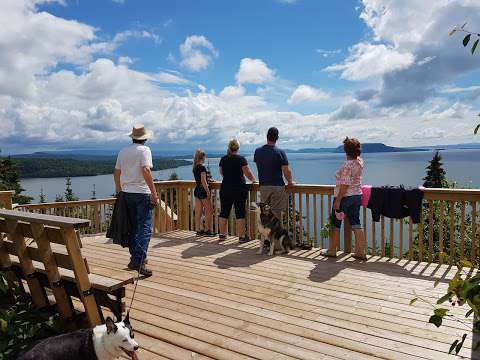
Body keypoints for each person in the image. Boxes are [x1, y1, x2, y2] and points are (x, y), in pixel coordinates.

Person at [114, 124, 158, 276]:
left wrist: (120, 191)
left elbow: (116, 172)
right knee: (144, 228)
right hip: (141, 194)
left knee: (133, 228)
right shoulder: (145, 150)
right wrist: (153, 192)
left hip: (127, 194)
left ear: (132, 137)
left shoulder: (123, 151)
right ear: (144, 138)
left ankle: (135, 259)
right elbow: (145, 170)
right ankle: (138, 262)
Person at [326, 137, 366, 260]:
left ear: (346, 150)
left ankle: (332, 250)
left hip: (344, 197)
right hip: (357, 196)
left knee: (335, 223)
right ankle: (361, 252)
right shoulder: (359, 161)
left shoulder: (348, 165)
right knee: (355, 222)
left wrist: (338, 201)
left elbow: (345, 184)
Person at [218, 139, 256, 243]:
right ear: (237, 148)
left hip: (225, 188)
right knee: (240, 212)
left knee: (224, 212)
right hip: (239, 189)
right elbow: (247, 172)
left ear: (229, 147)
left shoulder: (223, 159)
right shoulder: (241, 159)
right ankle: (242, 237)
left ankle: (222, 235)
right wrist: (254, 180)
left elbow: (222, 172)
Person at [254, 127, 294, 220]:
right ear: (277, 138)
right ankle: (275, 234)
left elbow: (258, 166)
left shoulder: (258, 151)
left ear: (267, 136)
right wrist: (290, 182)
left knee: (265, 213)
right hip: (277, 186)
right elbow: (286, 170)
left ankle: (266, 234)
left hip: (264, 186)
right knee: (276, 214)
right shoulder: (280, 152)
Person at [192, 149, 215, 236]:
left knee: (198, 211)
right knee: (209, 211)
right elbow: (203, 181)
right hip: (203, 190)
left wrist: (208, 180)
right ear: (203, 157)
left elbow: (200, 180)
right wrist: (208, 191)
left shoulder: (195, 167)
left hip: (197, 190)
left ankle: (198, 229)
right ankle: (207, 230)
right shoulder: (202, 167)